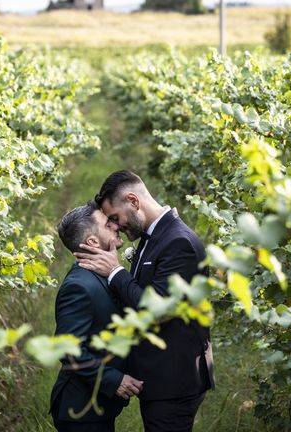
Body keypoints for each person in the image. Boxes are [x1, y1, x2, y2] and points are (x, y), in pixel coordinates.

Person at [74, 171, 214, 432]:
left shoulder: (178, 242)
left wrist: (116, 272)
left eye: (115, 218)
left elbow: (157, 310)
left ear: (133, 201)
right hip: (161, 378)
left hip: (174, 381)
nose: (116, 226)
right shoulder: (155, 237)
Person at [51, 200, 144, 432]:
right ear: (92, 242)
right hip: (80, 414)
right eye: (107, 224)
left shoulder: (101, 275)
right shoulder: (79, 286)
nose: (115, 225)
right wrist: (115, 380)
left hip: (97, 410)